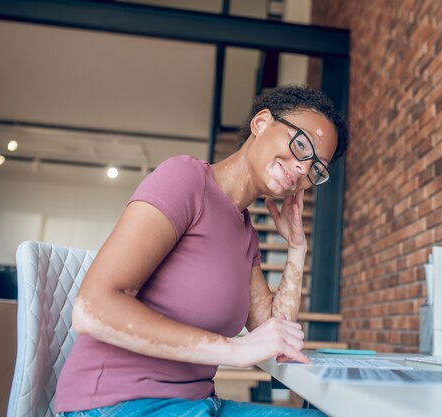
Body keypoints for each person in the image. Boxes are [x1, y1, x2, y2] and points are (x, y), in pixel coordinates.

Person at [54, 85, 348, 417]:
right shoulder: (185, 179)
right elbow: (93, 309)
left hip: (197, 405)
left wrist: (297, 248)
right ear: (261, 122)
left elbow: (272, 334)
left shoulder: (245, 232)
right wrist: (233, 350)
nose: (303, 169)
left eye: (316, 168)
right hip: (117, 404)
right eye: (300, 146)